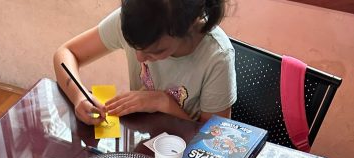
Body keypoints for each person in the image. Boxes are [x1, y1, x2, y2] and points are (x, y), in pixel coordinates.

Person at [53, 0, 236, 125]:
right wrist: (79, 96)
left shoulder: (217, 57)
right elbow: (66, 53)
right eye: (133, 46)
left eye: (157, 51)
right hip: (142, 142)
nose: (139, 58)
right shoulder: (134, 18)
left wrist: (163, 102)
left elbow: (213, 142)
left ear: (188, 28)